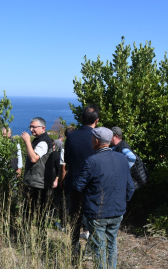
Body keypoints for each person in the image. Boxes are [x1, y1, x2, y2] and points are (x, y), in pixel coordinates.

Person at [74, 127, 135, 268]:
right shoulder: (122, 159)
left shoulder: (92, 161)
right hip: (117, 210)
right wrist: (122, 202)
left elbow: (79, 186)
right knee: (112, 244)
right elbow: (130, 186)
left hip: (97, 211)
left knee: (98, 247)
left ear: (96, 140)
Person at [64, 104, 100, 252]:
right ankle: (92, 247)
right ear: (96, 121)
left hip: (74, 182)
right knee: (93, 218)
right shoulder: (98, 137)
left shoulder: (71, 136)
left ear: (81, 118)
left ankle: (74, 246)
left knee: (75, 216)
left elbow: (66, 159)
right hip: (93, 184)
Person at [21, 117, 52, 231]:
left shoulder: (43, 142)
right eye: (31, 127)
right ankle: (29, 238)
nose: (31, 129)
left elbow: (34, 158)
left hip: (38, 183)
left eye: (34, 127)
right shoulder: (39, 140)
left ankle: (38, 241)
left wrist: (28, 142)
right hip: (35, 181)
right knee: (30, 212)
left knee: (35, 213)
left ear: (43, 128)